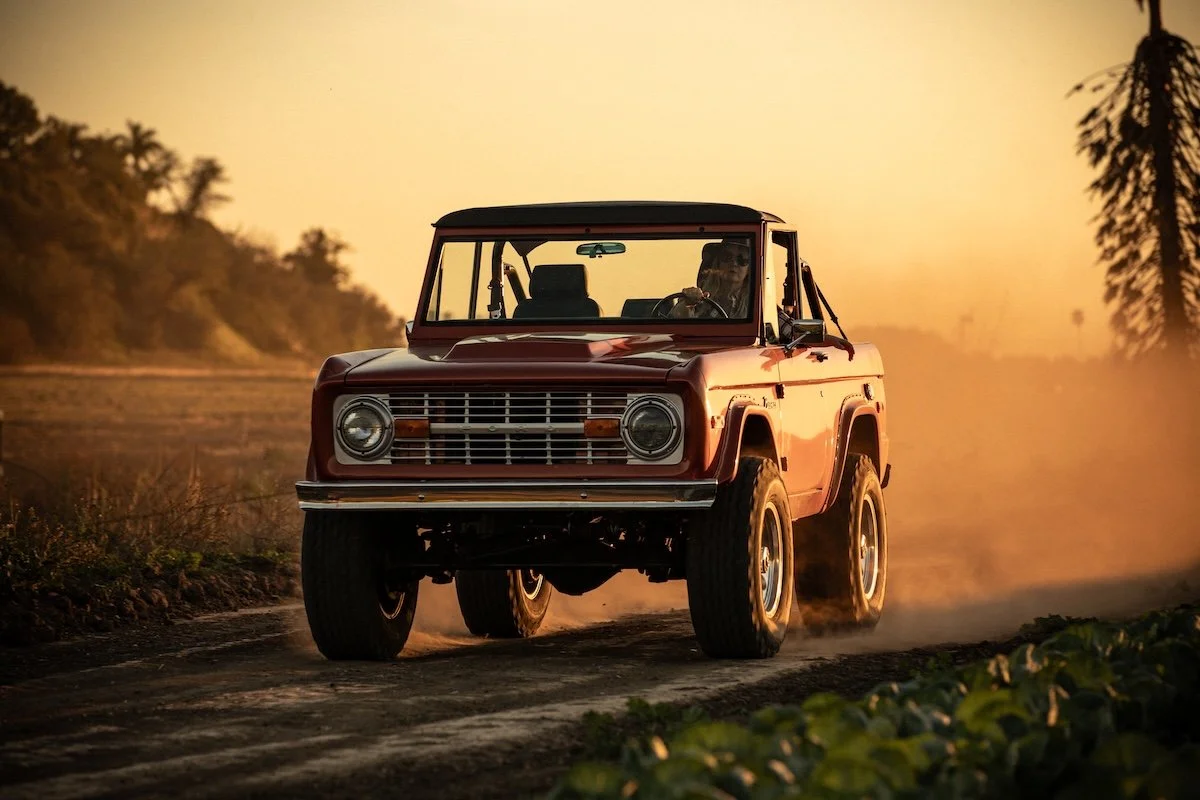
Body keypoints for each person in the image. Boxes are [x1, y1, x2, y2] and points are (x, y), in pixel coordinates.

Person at [671, 239, 752, 319]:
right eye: (727, 256)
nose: (734, 263)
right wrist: (687, 304)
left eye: (742, 259)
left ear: (749, 268)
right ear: (718, 263)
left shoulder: (755, 304)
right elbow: (676, 319)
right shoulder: (699, 298)